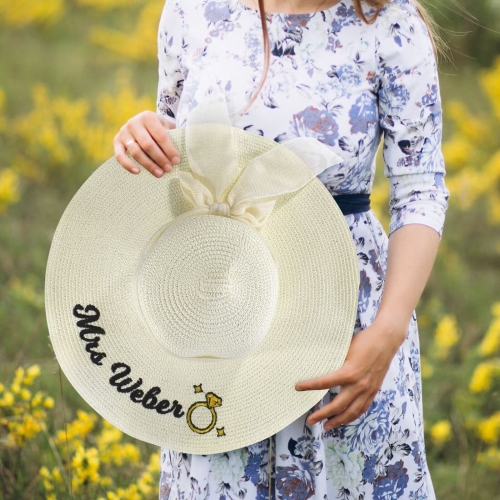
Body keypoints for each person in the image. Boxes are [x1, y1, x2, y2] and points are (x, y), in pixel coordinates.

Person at [113, 0, 450, 498]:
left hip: (344, 324)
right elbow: (174, 151)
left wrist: (387, 332)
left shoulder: (391, 25)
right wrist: (140, 136)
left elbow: (420, 190)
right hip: (217, 314)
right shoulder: (191, 10)